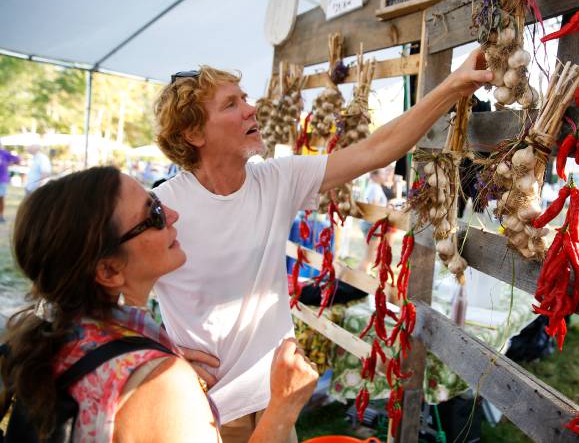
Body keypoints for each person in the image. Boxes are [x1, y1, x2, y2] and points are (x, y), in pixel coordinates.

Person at [151, 51, 491, 442]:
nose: (252, 108)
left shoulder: (276, 179)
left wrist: (453, 86)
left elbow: (375, 149)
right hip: (205, 408)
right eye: (232, 103)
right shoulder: (164, 207)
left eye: (245, 97)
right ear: (194, 134)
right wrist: (157, 353)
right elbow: (99, 293)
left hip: (276, 396)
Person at [0, 166, 318, 442]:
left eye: (158, 202)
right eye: (153, 215)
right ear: (109, 270)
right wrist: (283, 406)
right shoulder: (161, 382)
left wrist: (158, 362)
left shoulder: (57, 336)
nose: (172, 215)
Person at [0, 138, 20, 222]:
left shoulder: (4, 153)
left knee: (1, 198)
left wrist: (11, 162)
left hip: (2, 179)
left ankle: (0, 216)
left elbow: (17, 159)